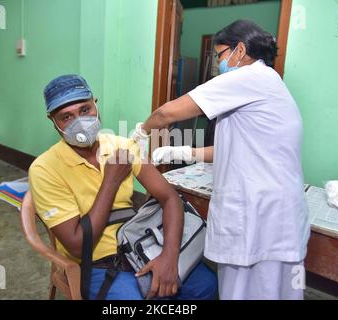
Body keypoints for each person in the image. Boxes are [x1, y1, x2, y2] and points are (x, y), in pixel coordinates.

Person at [132, 20, 310, 300]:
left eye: (220, 55)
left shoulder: (247, 78)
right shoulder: (268, 82)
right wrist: (183, 152)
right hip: (278, 211)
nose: (220, 64)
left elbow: (166, 113)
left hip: (258, 213)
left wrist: (141, 131)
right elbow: (236, 147)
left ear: (240, 50)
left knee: (245, 291)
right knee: (274, 290)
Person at [29, 74, 217, 300]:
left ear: (95, 105)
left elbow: (169, 199)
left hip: (138, 242)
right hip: (98, 262)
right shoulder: (44, 169)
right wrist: (111, 180)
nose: (79, 121)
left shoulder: (122, 147)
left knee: (207, 285)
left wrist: (169, 257)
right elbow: (79, 246)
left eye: (85, 109)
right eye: (66, 116)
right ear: (53, 121)